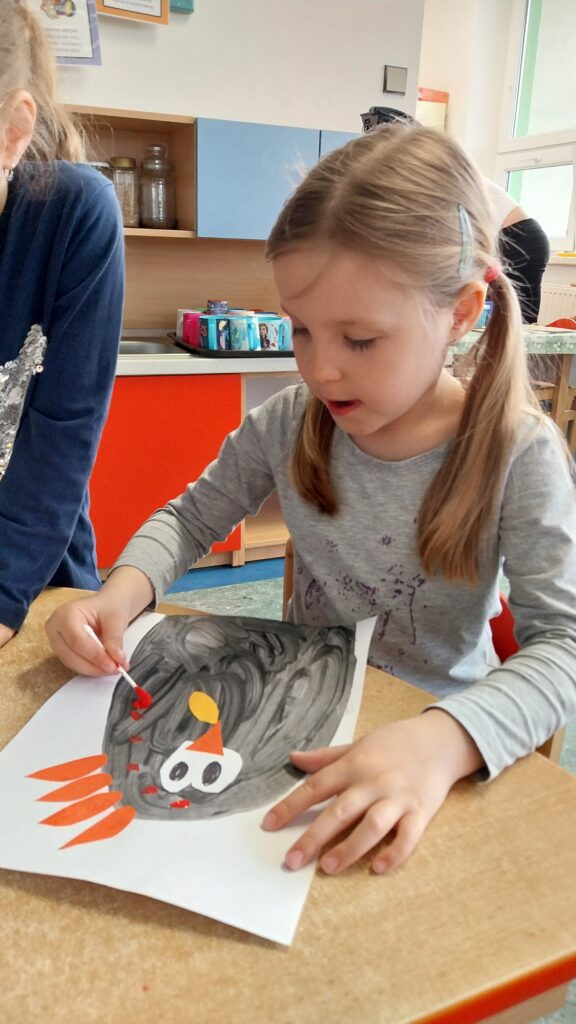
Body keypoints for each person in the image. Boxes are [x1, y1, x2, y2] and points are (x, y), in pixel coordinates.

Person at [46, 123, 576, 879]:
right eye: (300, 329)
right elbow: (190, 518)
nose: (320, 369)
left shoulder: (517, 453)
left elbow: (563, 647)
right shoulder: (289, 423)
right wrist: (119, 594)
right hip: (292, 720)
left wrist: (444, 740)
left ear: (460, 313)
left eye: (359, 339)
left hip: (437, 751)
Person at [0, 0, 124, 647]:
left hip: (33, 574)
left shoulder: (76, 214)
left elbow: (61, 438)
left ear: (12, 132)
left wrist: (2, 596)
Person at [483, 178, 550, 324]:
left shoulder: (454, 177)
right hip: (519, 237)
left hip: (519, 239)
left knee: (508, 319)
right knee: (498, 317)